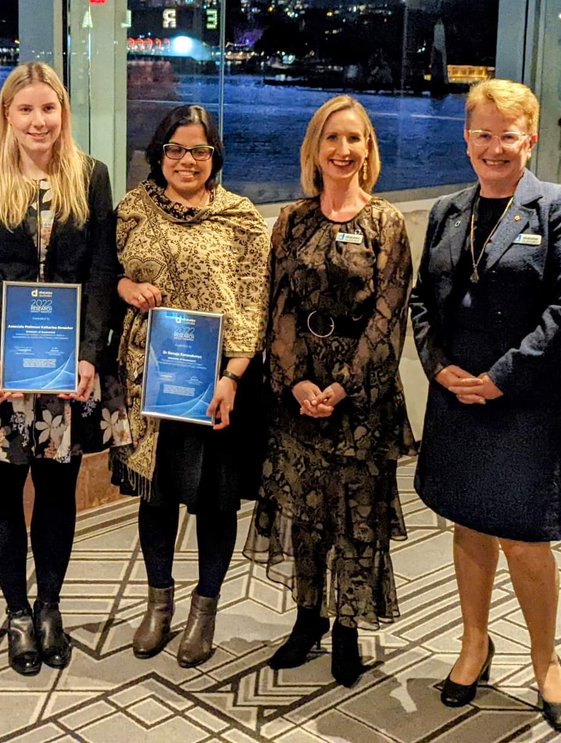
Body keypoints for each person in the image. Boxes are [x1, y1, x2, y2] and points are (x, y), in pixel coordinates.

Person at [409, 79, 561, 731]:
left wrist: (501, 377)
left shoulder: (559, 206)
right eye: (481, 134)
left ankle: (546, 659)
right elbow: (422, 302)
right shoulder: (447, 211)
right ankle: (473, 642)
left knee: (524, 537)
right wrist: (441, 370)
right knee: (468, 522)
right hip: (457, 394)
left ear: (530, 138)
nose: (494, 147)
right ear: (466, 138)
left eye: (507, 136)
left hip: (525, 401)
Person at [0, 62, 130, 676]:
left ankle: (50, 607)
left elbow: (102, 271)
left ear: (63, 114)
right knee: (1, 490)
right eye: (24, 109)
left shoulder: (92, 177)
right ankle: (17, 614)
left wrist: (89, 353)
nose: (38, 121)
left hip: (68, 367)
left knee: (58, 490)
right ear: (7, 114)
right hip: (2, 365)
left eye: (48, 109)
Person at [243, 95, 414, 687]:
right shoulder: (291, 221)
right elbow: (280, 308)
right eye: (332, 139)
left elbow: (389, 316)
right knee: (307, 510)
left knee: (355, 514)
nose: (344, 150)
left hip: (360, 398)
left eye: (355, 139)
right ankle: (308, 617)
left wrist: (341, 386)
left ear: (369, 150)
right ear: (315, 149)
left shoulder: (387, 223)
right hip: (300, 391)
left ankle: (347, 629)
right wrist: (296, 383)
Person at [111, 104, 270, 668]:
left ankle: (205, 610)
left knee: (215, 502)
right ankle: (159, 604)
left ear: (214, 156)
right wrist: (127, 286)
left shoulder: (240, 217)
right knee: (156, 497)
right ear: (158, 153)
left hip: (219, 382)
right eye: (176, 149)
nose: (187, 160)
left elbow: (255, 301)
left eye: (199, 150)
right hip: (151, 380)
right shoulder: (133, 208)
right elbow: (109, 275)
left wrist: (233, 374)